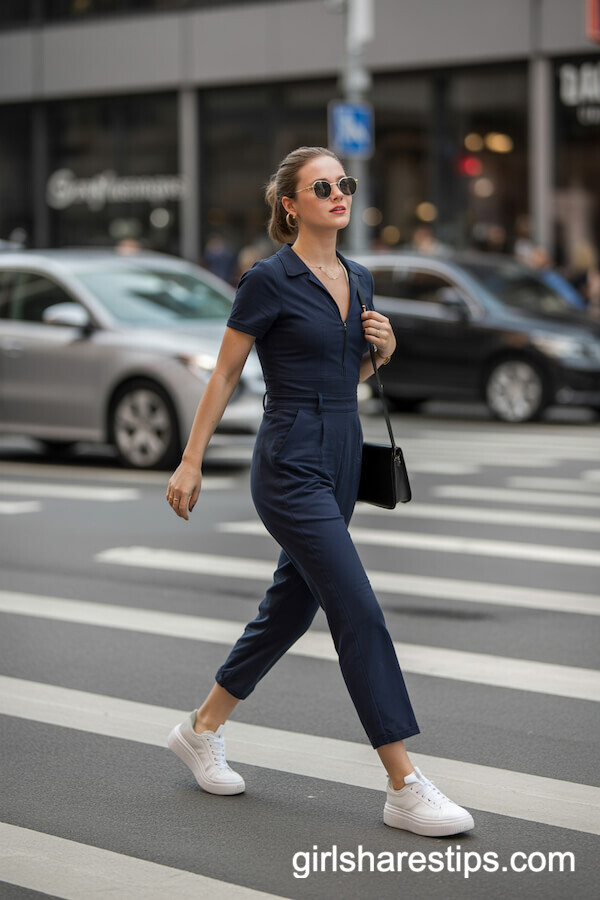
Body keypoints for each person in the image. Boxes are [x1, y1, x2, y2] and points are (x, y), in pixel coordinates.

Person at [165, 146, 474, 837]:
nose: (339, 194)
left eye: (345, 184)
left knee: (289, 607)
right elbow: (223, 376)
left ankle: (200, 728)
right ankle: (403, 783)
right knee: (357, 608)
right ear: (291, 204)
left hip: (341, 454)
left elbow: (346, 373)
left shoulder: (359, 277)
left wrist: (381, 351)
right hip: (289, 460)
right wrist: (191, 460)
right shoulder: (266, 280)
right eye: (322, 186)